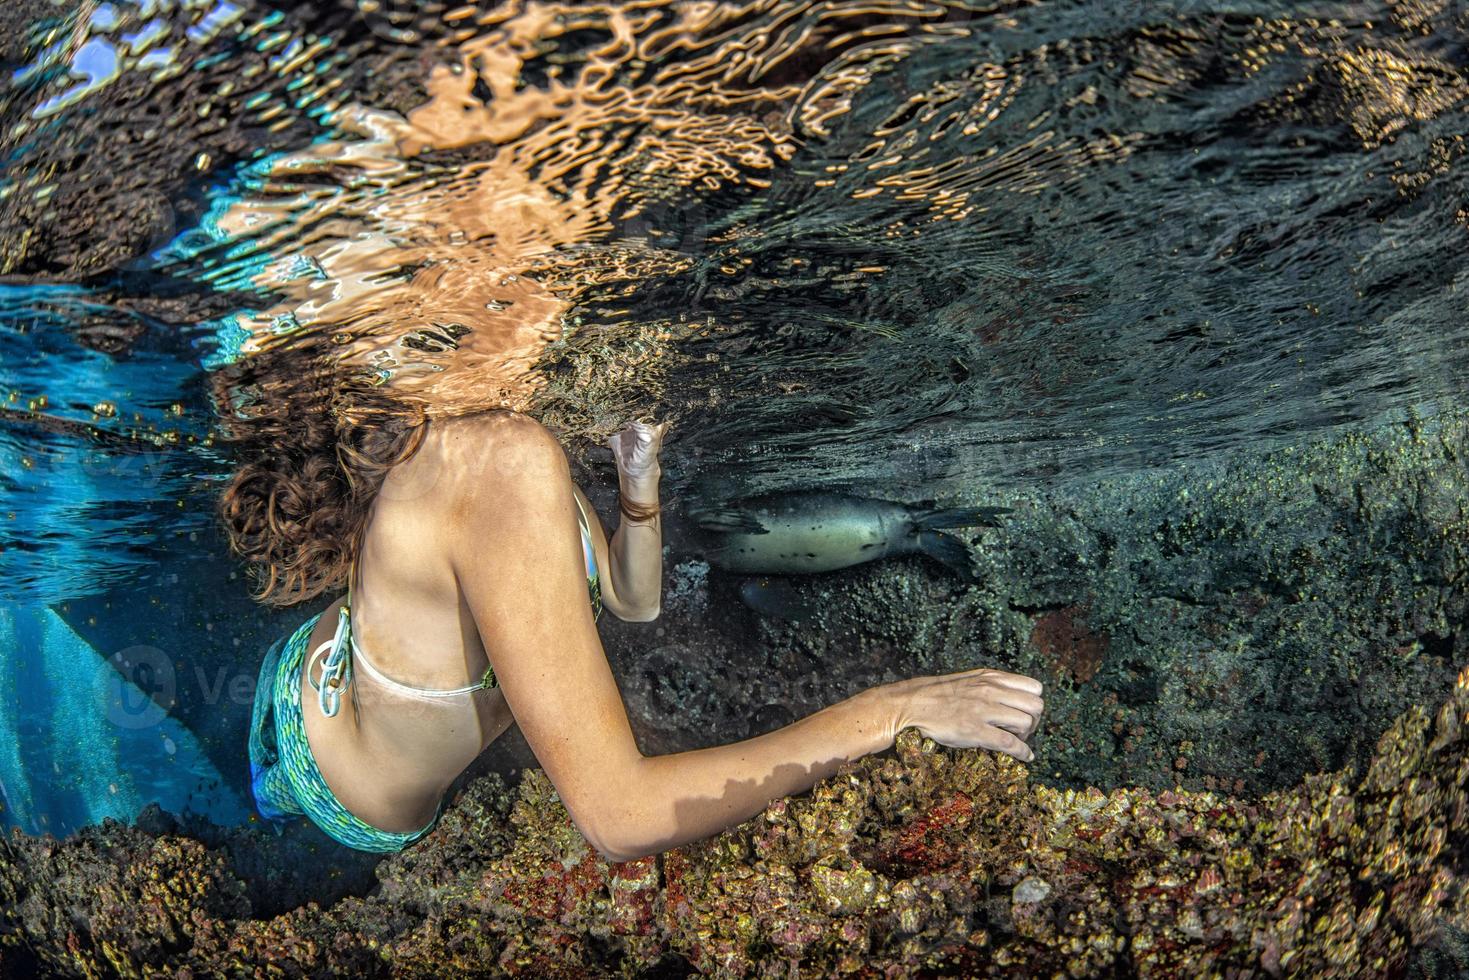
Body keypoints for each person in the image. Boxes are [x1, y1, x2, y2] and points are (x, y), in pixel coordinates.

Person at [234, 410, 1045, 857]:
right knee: (267, 800)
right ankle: (264, 797)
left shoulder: (508, 448)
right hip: (346, 791)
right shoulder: (494, 461)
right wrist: (891, 711)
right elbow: (621, 819)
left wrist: (636, 482)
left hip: (329, 672)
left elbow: (630, 600)